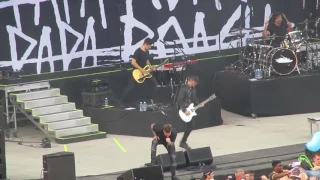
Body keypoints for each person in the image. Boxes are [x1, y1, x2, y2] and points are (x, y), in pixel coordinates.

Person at [119, 38, 157, 105]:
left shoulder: (147, 51)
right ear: (145, 44)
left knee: (153, 83)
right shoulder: (138, 51)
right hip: (137, 72)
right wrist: (141, 69)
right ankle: (122, 100)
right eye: (149, 46)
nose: (150, 47)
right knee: (130, 87)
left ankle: (149, 99)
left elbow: (147, 61)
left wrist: (151, 67)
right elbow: (133, 62)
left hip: (144, 71)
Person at [177, 76, 202, 150]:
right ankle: (183, 142)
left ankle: (183, 141)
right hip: (185, 110)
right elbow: (179, 100)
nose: (195, 85)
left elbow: (194, 99)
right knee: (190, 126)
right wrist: (184, 110)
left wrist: (199, 104)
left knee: (191, 126)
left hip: (190, 110)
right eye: (194, 83)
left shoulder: (193, 89)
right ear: (191, 81)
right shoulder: (183, 88)